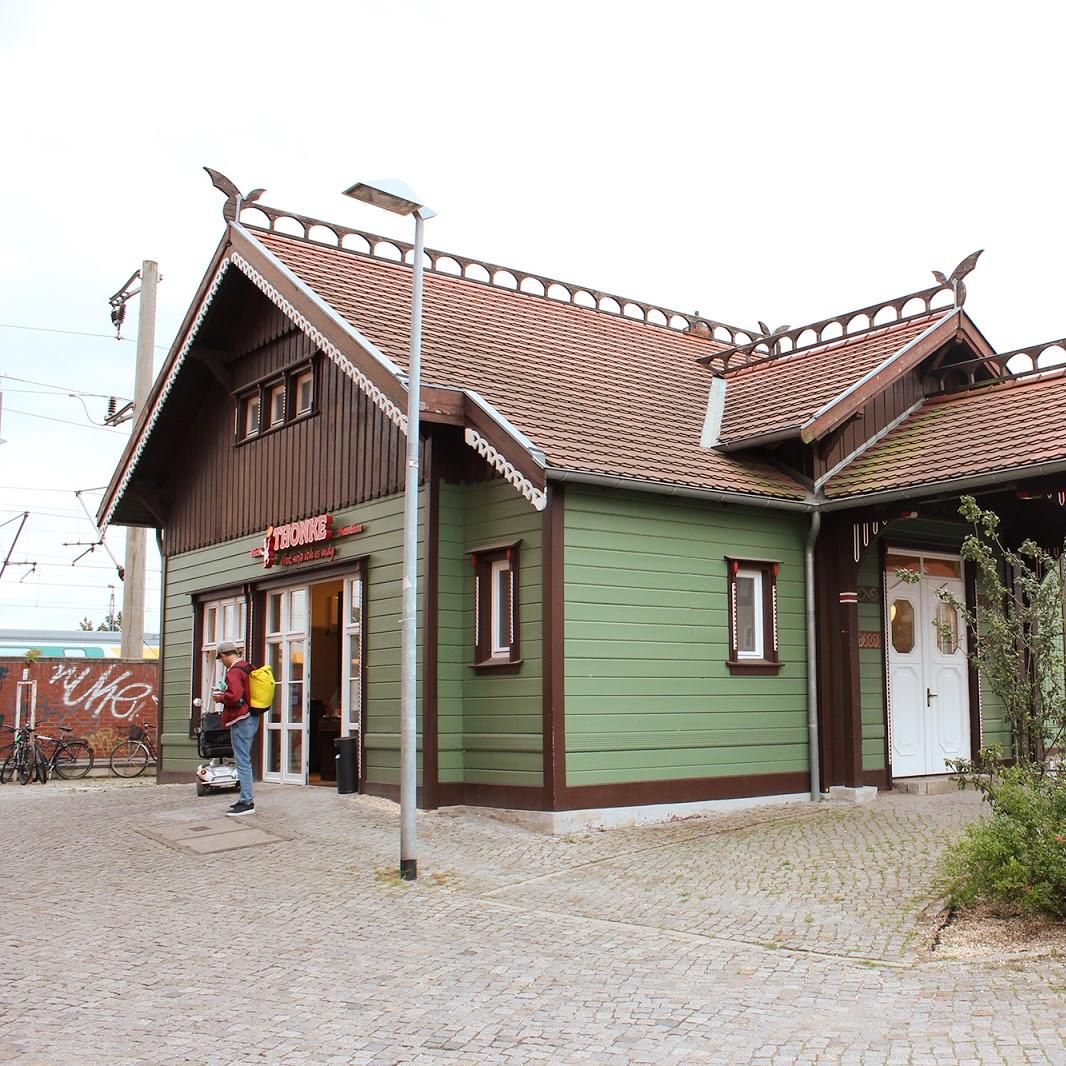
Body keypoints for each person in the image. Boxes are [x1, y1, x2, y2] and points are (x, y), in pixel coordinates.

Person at [213, 640, 257, 817]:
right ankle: (244, 798)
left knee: (242, 761)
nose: (221, 662)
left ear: (223, 655)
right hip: (252, 717)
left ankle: (247, 801)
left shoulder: (234, 671)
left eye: (220, 658)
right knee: (245, 759)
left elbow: (234, 696)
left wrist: (221, 698)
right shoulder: (248, 667)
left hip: (241, 719)